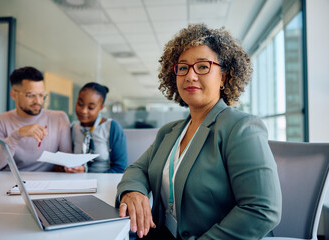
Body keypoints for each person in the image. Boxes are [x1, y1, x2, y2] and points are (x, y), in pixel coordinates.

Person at [116, 24, 282, 239]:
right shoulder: (170, 131)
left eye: (202, 67)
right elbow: (137, 169)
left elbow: (262, 209)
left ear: (223, 76)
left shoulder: (240, 127)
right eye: (183, 67)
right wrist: (133, 191)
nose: (190, 76)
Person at [0, 66, 72, 171]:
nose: (38, 101)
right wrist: (16, 135)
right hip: (11, 183)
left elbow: (67, 161)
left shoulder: (59, 118)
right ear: (13, 94)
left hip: (48, 183)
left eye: (41, 95)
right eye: (30, 95)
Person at [66, 82, 127, 173]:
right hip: (77, 181)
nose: (83, 111)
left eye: (90, 107)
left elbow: (120, 168)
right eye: (80, 104)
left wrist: (90, 177)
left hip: (105, 182)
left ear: (101, 108)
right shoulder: (74, 128)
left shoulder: (112, 128)